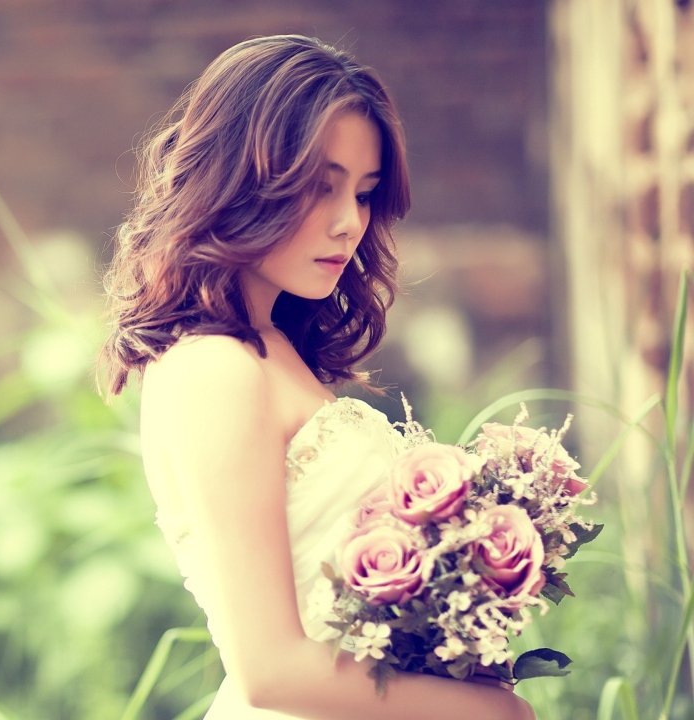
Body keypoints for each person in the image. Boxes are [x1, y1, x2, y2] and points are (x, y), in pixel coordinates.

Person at [99, 36, 537, 720]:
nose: (349, 224)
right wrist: (493, 713)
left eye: (363, 195)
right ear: (240, 177)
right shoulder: (214, 368)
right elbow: (268, 671)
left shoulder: (269, 349)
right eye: (319, 187)